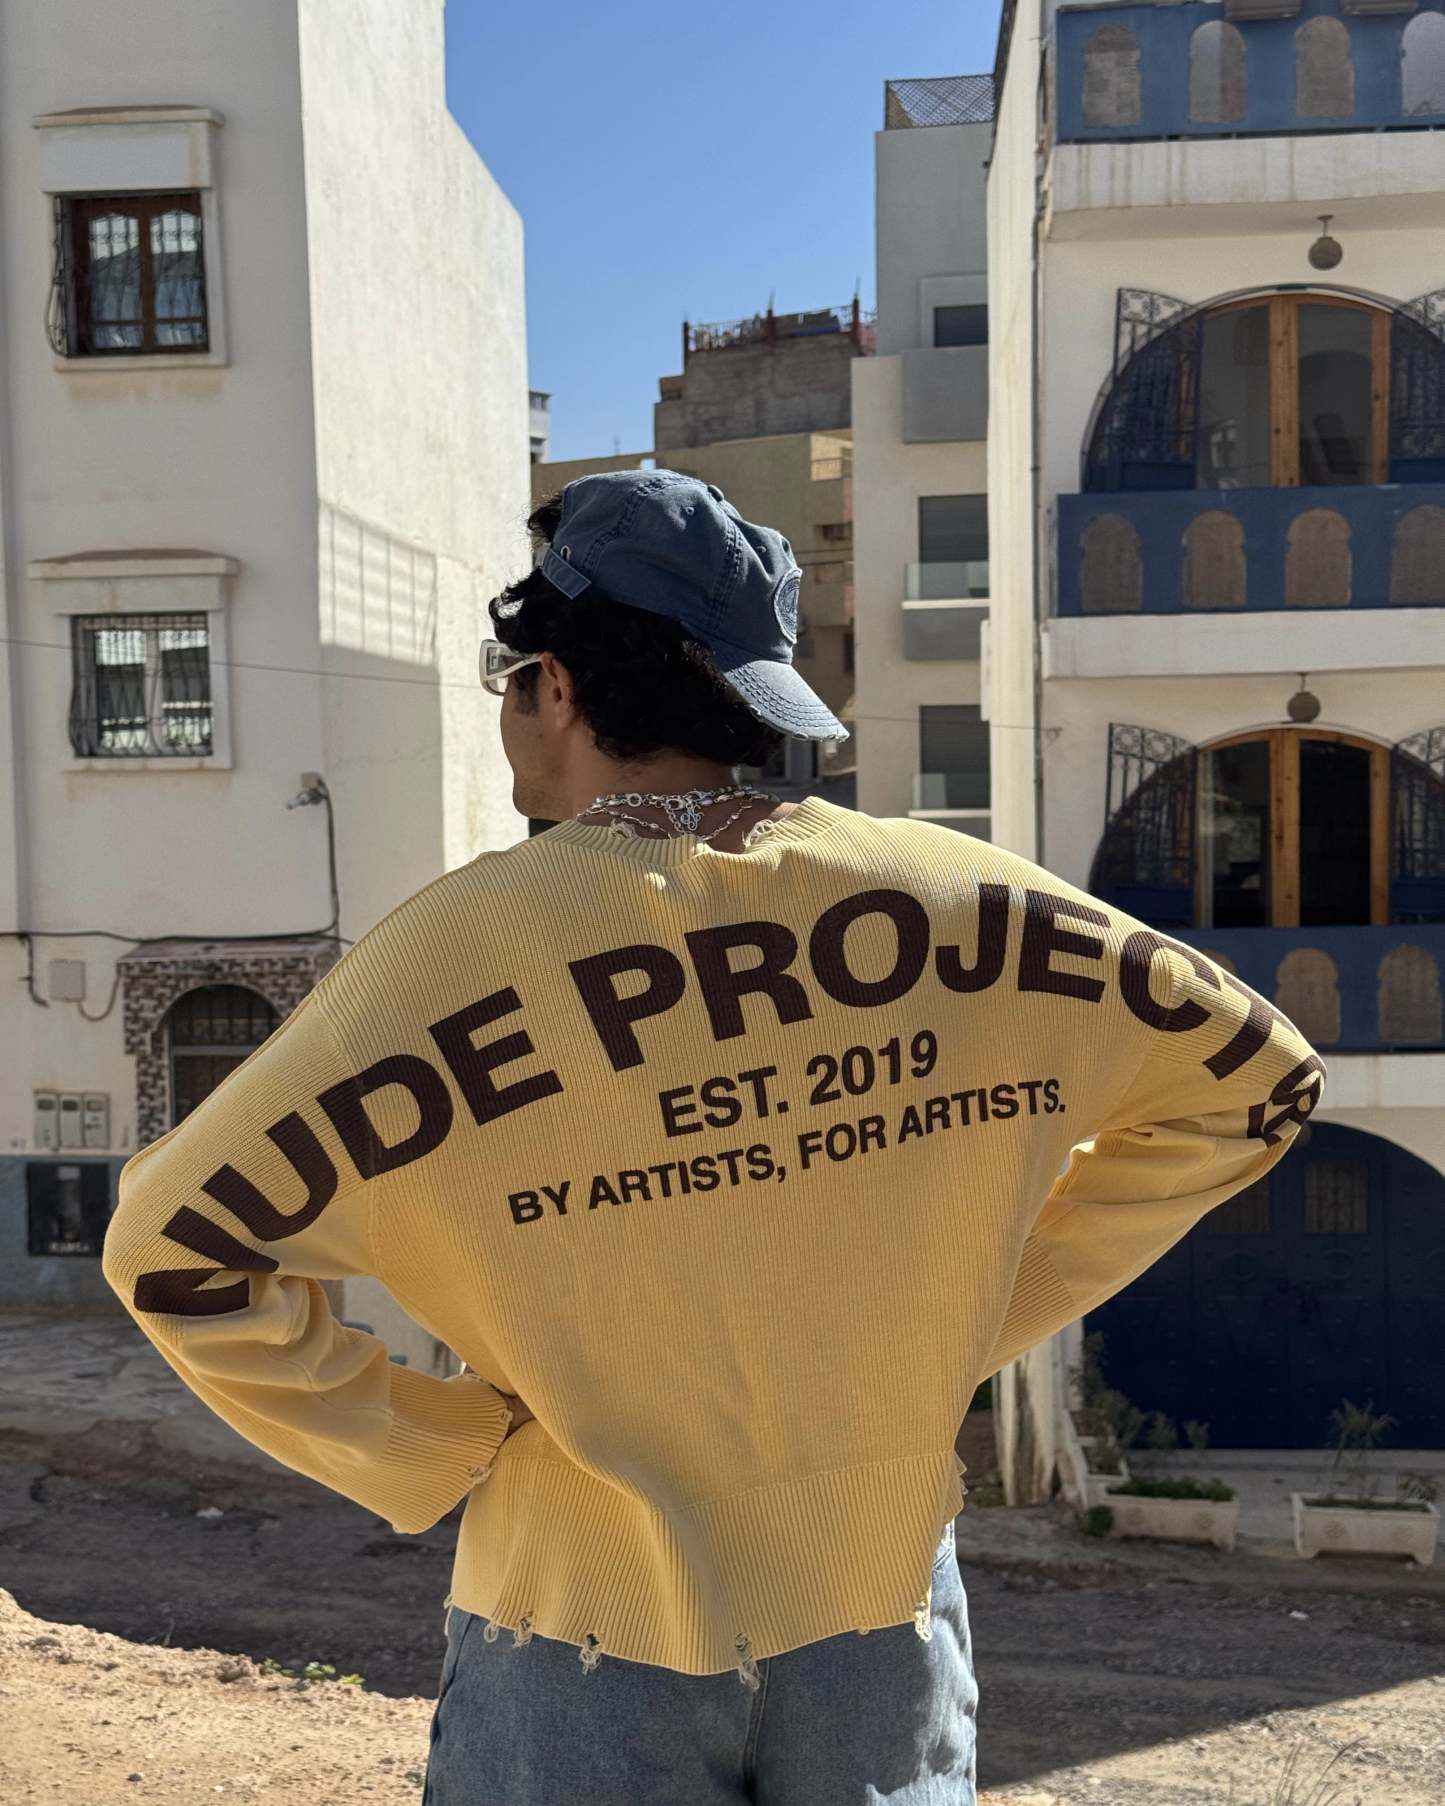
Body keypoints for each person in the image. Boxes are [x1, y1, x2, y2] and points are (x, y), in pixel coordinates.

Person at [103, 470, 1325, 1805]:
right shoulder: (961, 900)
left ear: (555, 687)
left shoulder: (451, 956)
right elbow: (1257, 1081)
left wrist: (424, 1439)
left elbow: (169, 1249)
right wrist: (973, 1312)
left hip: (575, 1620)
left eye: (512, 677)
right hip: (881, 1618)